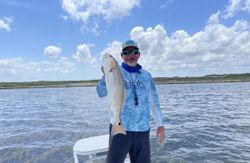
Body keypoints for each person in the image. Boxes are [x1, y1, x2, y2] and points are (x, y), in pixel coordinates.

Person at [96, 39, 165, 163]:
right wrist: (105, 75)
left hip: (142, 131)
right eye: (127, 52)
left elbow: (154, 101)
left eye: (134, 51)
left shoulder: (146, 76)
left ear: (139, 54)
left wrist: (160, 124)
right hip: (119, 128)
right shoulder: (115, 71)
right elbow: (101, 93)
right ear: (122, 56)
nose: (131, 55)